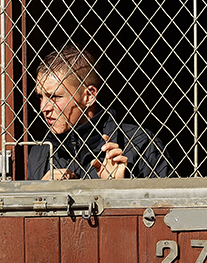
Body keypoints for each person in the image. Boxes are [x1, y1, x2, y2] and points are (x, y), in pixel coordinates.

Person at [27, 45, 173, 180]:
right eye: (40, 97)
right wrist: (42, 193)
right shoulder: (40, 153)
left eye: (55, 97)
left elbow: (169, 199)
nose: (43, 107)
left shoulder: (140, 144)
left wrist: (119, 188)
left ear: (89, 96)